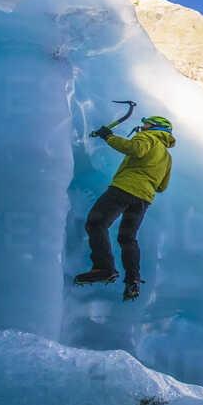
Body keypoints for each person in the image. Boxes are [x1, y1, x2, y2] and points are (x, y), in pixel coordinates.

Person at [74, 115, 175, 301]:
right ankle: (133, 280)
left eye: (146, 124)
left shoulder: (148, 137)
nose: (142, 126)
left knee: (96, 223)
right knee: (127, 238)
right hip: (143, 199)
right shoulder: (167, 157)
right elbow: (162, 186)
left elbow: (134, 149)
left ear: (155, 127)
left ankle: (103, 268)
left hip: (124, 188)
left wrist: (108, 137)